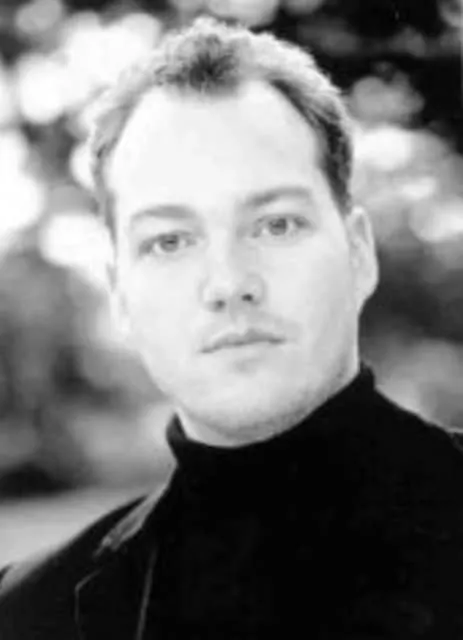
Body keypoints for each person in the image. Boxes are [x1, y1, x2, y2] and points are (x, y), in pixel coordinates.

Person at [1, 16, 463, 640]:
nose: (228, 282)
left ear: (359, 253)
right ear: (120, 297)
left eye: (275, 224)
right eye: (170, 241)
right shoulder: (27, 615)